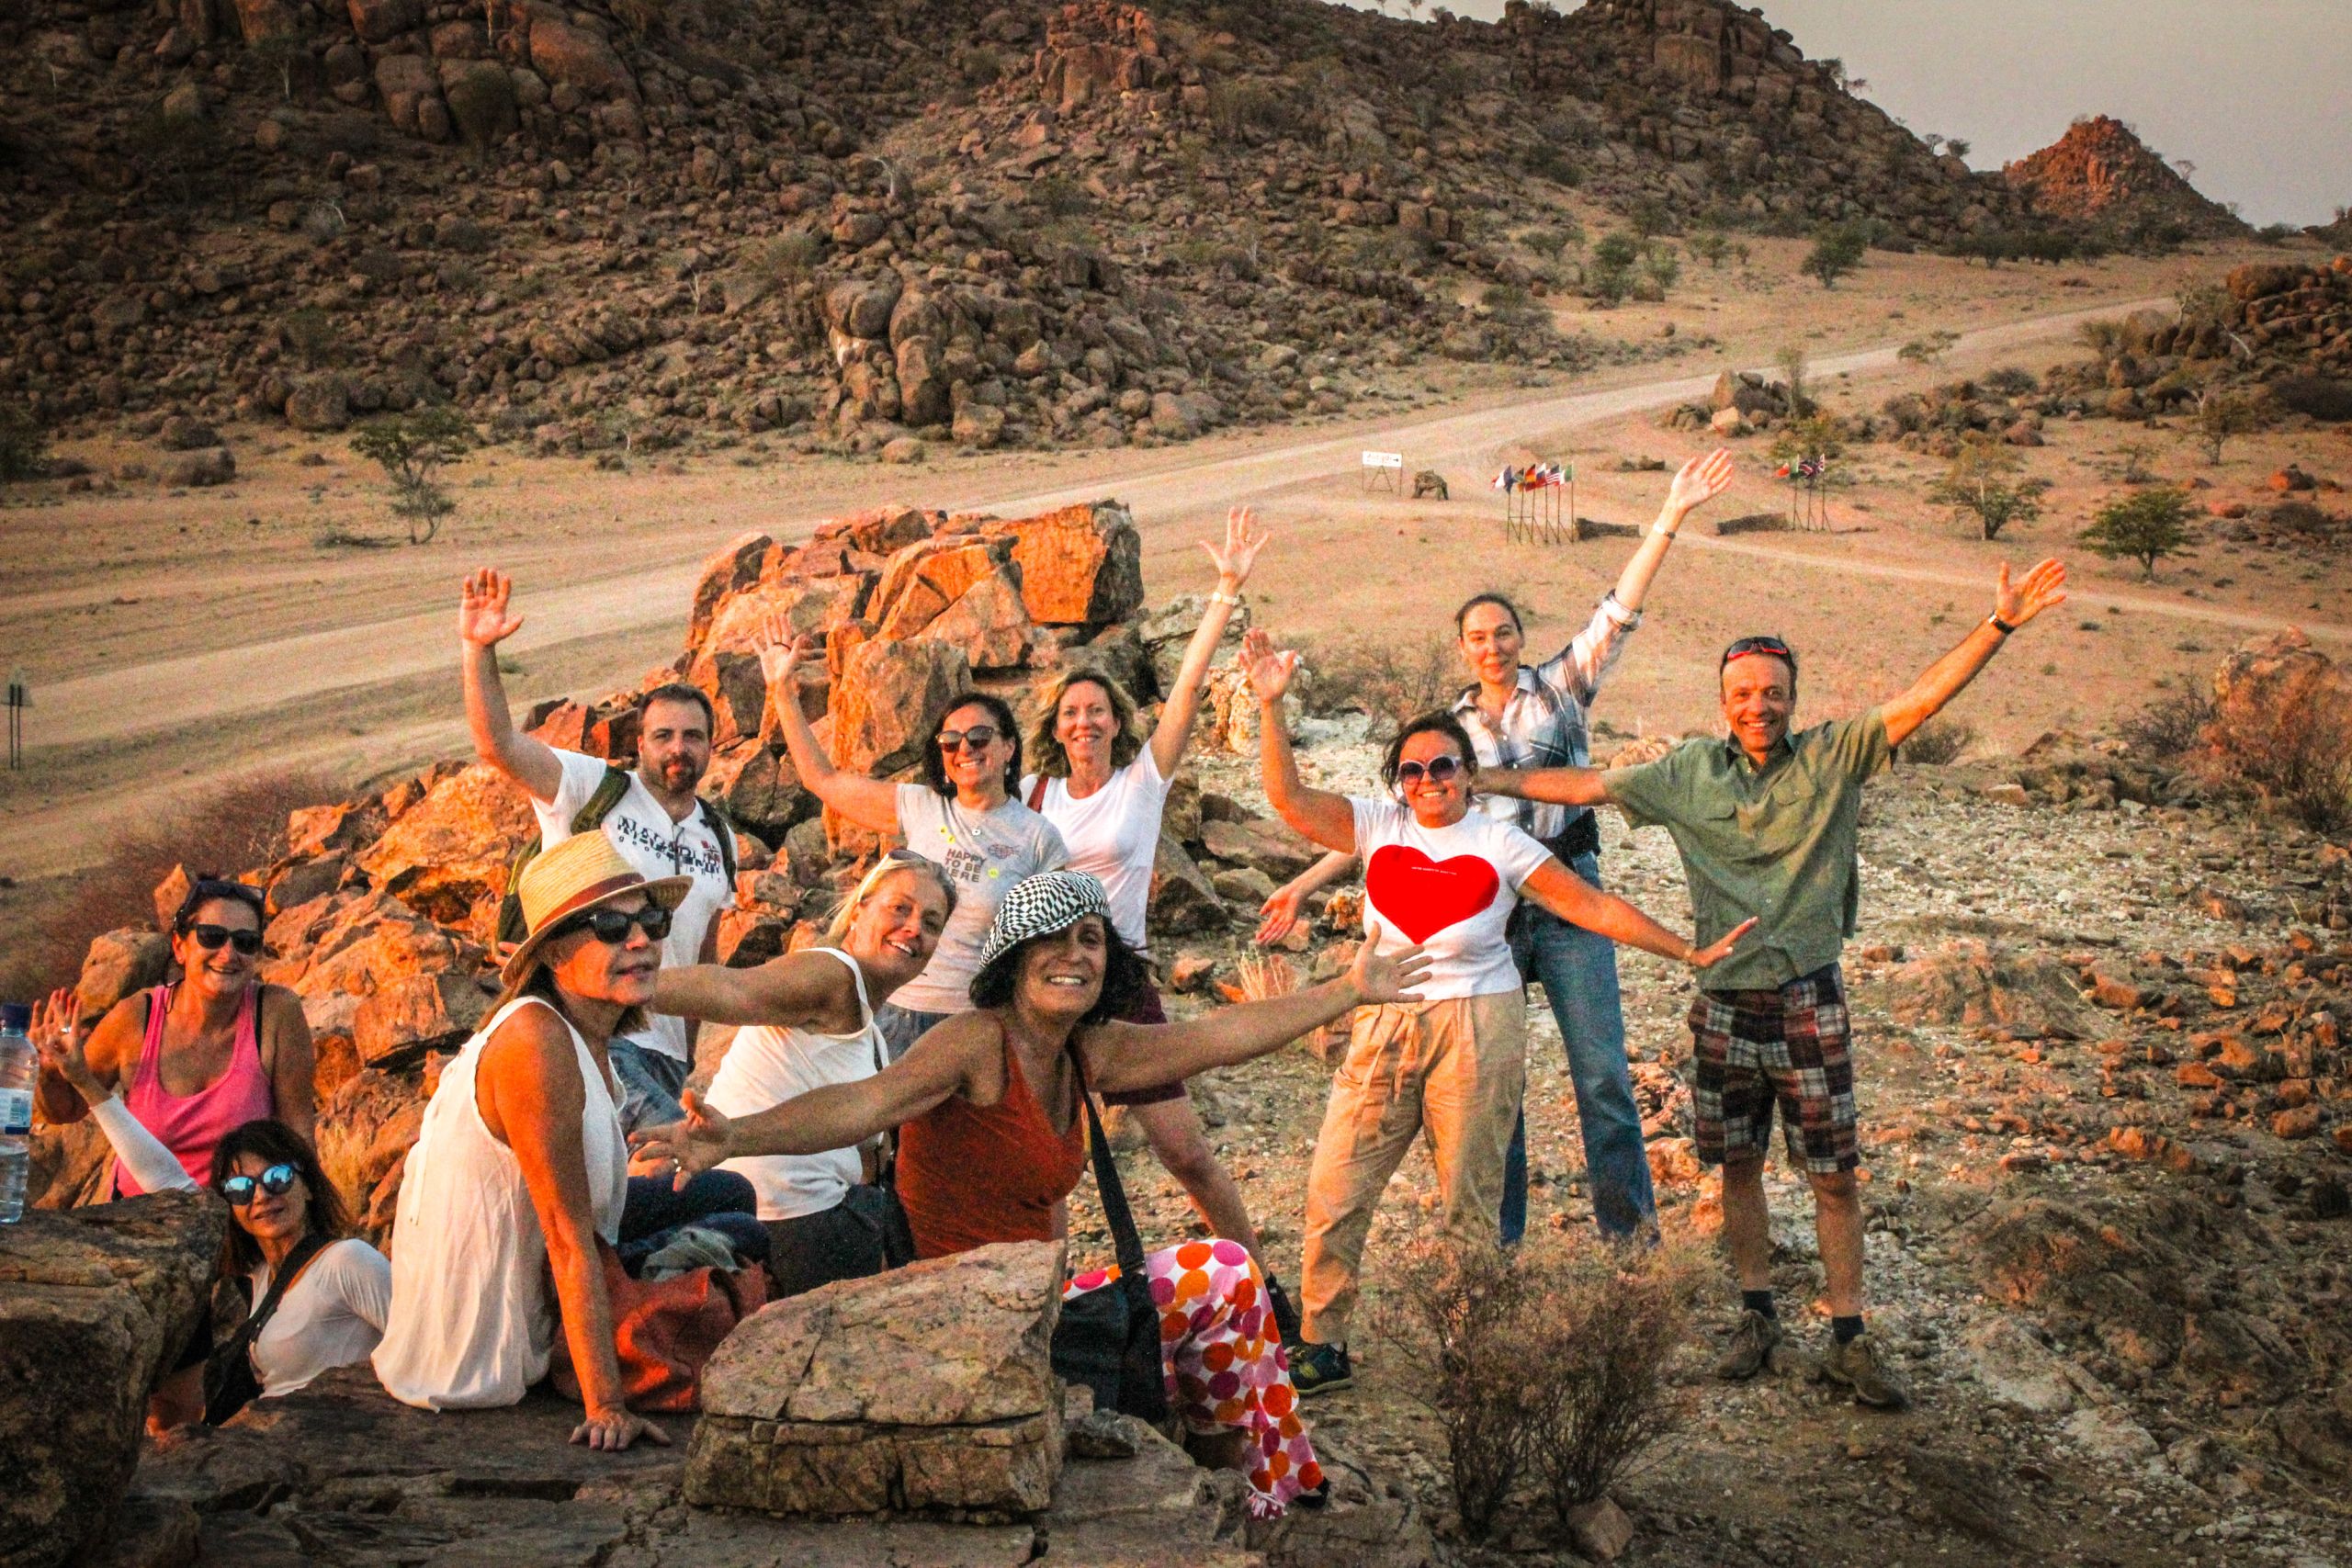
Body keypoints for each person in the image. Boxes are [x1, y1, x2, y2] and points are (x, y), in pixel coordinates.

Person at [636, 870, 1435, 1517]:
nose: (1073, 955)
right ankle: (1274, 1490)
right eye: (1049, 939)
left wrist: (1347, 988)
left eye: (1089, 940)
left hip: (1027, 1311)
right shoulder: (978, 1040)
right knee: (1222, 1271)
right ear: (1014, 961)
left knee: (1226, 1303)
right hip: (953, 1313)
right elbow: (868, 1104)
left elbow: (1215, 1039)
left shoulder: (1088, 1050)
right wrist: (732, 1136)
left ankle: (1240, 1490)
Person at [1475, 558, 2071, 1410]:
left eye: (1773, 692)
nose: (1759, 705)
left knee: (1833, 1174)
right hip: (1722, 1002)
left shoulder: (1834, 757)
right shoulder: (1687, 774)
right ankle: (1756, 1313)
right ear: (1724, 701)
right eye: (1744, 693)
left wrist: (2000, 624)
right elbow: (1587, 785)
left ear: (1793, 697)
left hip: (1808, 997)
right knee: (1739, 1167)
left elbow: (1921, 702)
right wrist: (1480, 781)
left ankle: (1849, 1335)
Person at [1239, 629, 1752, 1395]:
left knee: (1471, 1199)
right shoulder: (1381, 828)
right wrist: (1270, 707)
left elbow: (1592, 905)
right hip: (1383, 1020)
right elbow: (1288, 800)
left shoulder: (1501, 842)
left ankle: (1464, 1341)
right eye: (1412, 770)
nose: (1428, 780)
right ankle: (1322, 1338)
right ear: (1399, 781)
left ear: (1468, 773)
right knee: (1336, 1187)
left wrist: (1686, 951)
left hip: (1479, 1027)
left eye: (1443, 764)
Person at [372, 832, 756, 1450]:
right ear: (552, 951)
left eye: (650, 921)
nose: (640, 941)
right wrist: (606, 1403)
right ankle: (592, 1348)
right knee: (747, 1233)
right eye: (609, 925)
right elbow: (565, 1236)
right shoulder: (535, 1044)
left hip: (547, 1273)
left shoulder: (583, 1028)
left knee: (729, 1189)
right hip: (494, 1340)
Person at [1021, 505, 1302, 1334]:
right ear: (1055, 726)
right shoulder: (1032, 797)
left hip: (1122, 985)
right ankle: (1044, 1311)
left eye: (1097, 710)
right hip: (1044, 995)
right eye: (1070, 712)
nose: (1084, 722)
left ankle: (1262, 1294)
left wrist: (1223, 592)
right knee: (1046, 1165)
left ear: (1115, 721)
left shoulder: (1140, 784)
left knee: (1184, 1152)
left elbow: (1181, 692)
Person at [459, 567, 739, 1133]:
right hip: (592, 1029)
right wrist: (478, 650)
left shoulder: (720, 836)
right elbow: (498, 746)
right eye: (663, 736)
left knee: (629, 1192)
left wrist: (686, 1062)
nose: (677, 748)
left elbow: (702, 958)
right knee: (690, 1173)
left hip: (665, 1056)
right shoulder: (595, 790)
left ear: (714, 745)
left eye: (692, 736)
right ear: (639, 744)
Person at [34, 993, 389, 1423]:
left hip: (345, 1439)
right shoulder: (260, 1278)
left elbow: (422, 1344)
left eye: (277, 1178)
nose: (261, 1196)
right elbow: (162, 1174)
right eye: (240, 1188)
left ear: (308, 1184)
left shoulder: (347, 1262)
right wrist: (87, 1084)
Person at [650, 851, 955, 1297]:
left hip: (795, 1217)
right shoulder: (832, 974)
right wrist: (619, 985)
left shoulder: (872, 1032)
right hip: (785, 1223)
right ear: (859, 909)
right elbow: (735, 990)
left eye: (931, 924)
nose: (914, 929)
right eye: (900, 908)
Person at [760, 629, 1067, 1058]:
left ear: (1009, 747)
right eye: (950, 742)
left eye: (979, 738)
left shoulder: (1038, 837)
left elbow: (1050, 942)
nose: (965, 750)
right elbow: (822, 780)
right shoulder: (922, 806)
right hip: (896, 1012)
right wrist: (782, 693)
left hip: (976, 1024)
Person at [33, 876, 315, 1192]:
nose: (229, 953)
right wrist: (49, 1073)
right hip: (143, 1220)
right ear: (180, 947)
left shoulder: (276, 1013)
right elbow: (66, 1110)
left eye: (245, 942)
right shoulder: (136, 1018)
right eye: (212, 937)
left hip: (241, 1219)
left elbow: (299, 1134)